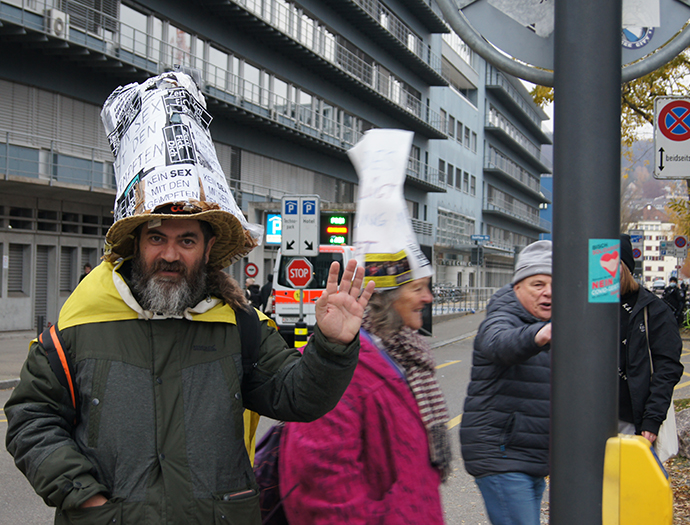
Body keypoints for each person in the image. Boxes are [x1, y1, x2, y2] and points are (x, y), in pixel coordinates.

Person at [4, 71, 375, 525]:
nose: (170, 254)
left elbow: (295, 396)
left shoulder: (238, 325)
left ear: (206, 250)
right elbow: (31, 415)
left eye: (186, 240)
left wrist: (331, 347)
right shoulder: (81, 322)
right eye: (156, 237)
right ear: (137, 243)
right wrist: (85, 498)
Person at [279, 129, 451, 524]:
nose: (428, 298)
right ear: (388, 297)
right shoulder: (346, 365)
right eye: (419, 288)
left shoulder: (406, 357)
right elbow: (318, 483)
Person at [459, 240, 552, 525]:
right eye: (538, 284)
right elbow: (499, 343)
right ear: (517, 287)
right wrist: (538, 336)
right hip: (502, 456)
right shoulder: (502, 317)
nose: (548, 292)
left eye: (555, 283)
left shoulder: (556, 322)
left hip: (530, 457)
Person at [618, 235, 683, 444]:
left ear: (625, 268)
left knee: (630, 477)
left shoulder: (654, 310)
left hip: (631, 421)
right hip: (589, 417)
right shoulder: (588, 307)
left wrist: (652, 419)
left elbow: (667, 368)